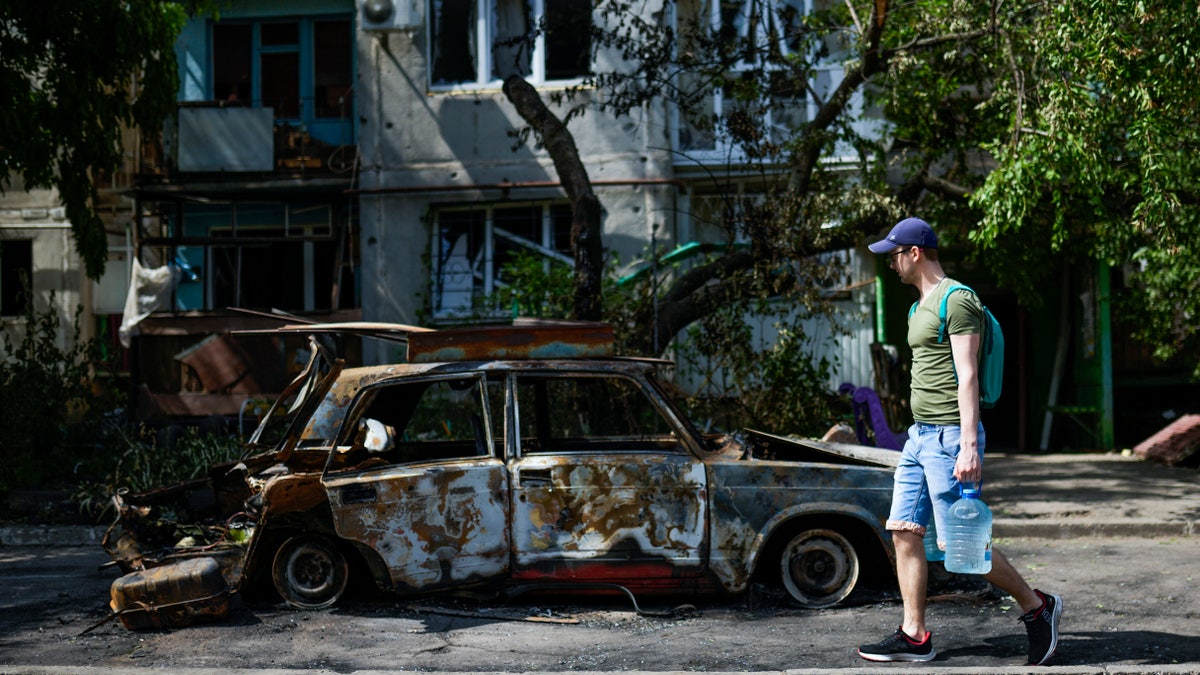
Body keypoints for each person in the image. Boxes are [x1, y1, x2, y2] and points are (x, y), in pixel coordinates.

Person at [856, 217, 1063, 665]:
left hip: (951, 437)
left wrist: (969, 444)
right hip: (919, 438)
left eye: (893, 254)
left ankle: (1037, 606)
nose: (889, 263)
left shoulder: (958, 299)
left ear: (915, 252)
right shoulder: (917, 308)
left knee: (962, 546)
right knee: (904, 531)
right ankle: (914, 635)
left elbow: (968, 375)